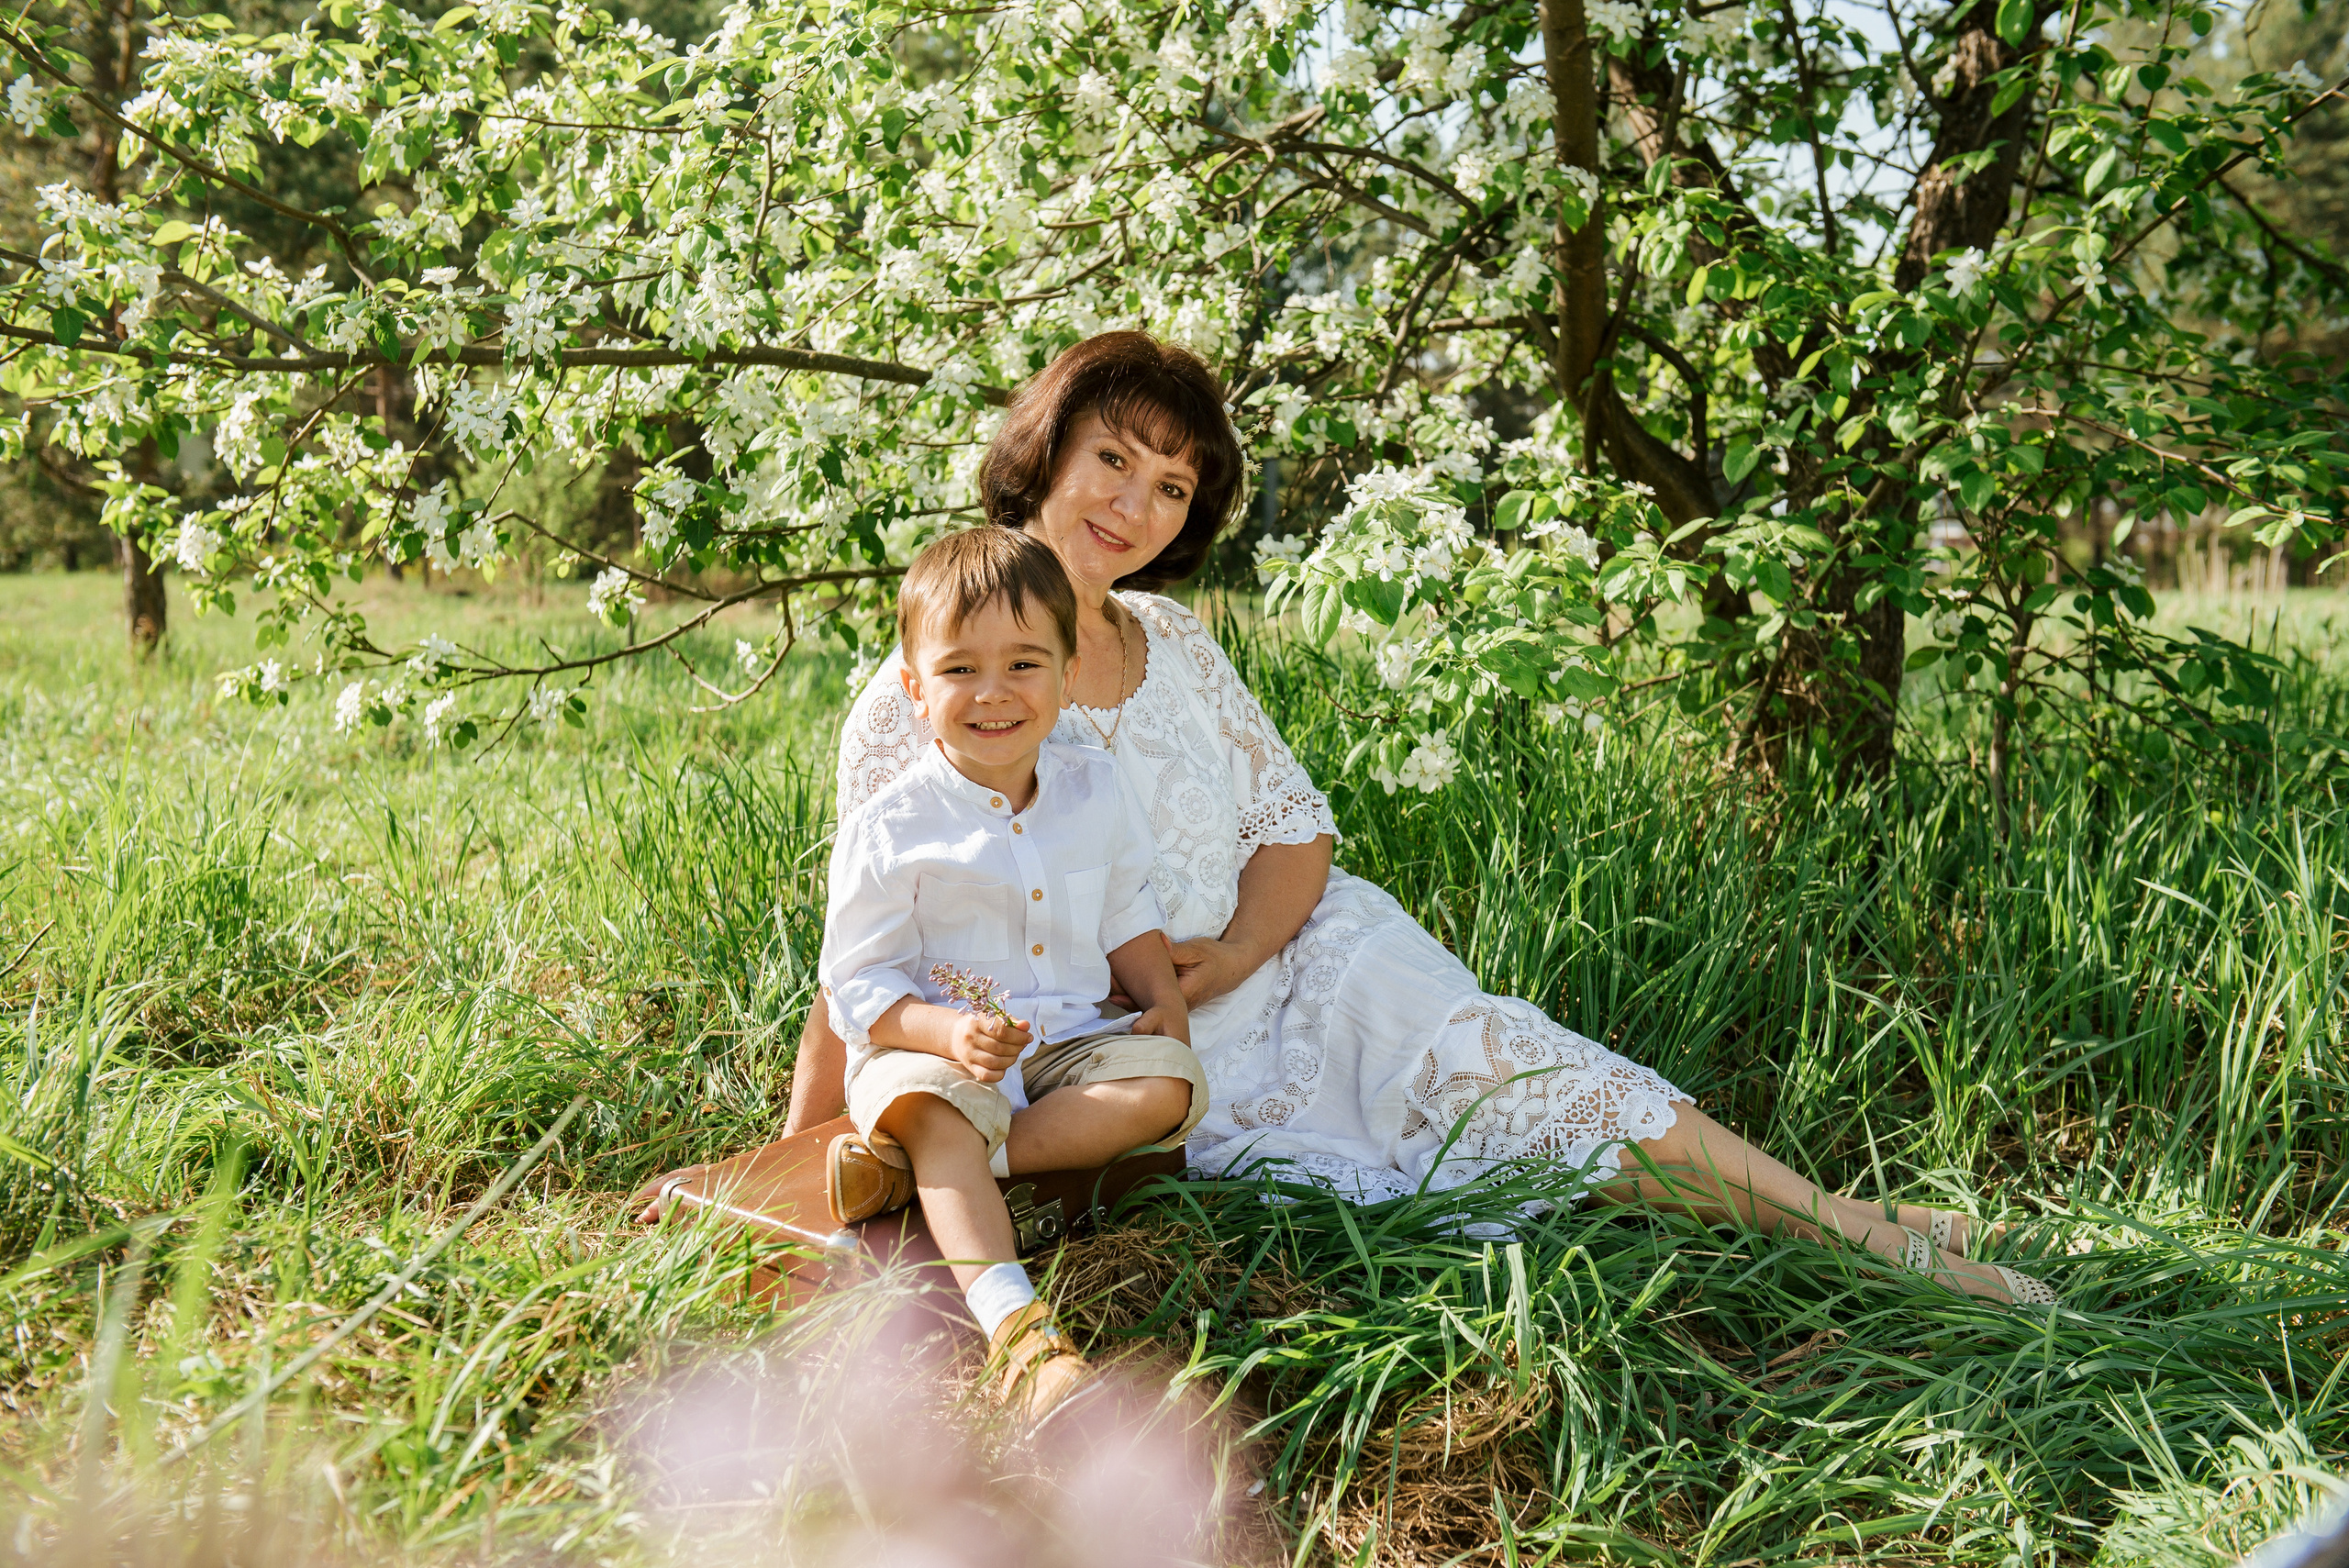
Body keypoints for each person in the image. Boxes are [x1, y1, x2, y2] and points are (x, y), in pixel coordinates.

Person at [801, 330, 2053, 1308]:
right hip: (1133, 1059)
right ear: (1051, 445)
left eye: (1174, 484)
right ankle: (1856, 1230)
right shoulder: (938, 677)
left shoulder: (1172, 641)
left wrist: (1239, 949)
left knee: (1508, 1057)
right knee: (1493, 1101)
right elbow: (863, 935)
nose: (1137, 504)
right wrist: (807, 1148)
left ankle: (1848, 1224)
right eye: (1115, 459)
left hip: (1296, 964)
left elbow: (1297, 832)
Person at [818, 525, 1208, 1418]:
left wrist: (1164, 1001)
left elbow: (1125, 911)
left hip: (1062, 1044)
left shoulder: (1093, 788)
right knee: (940, 1104)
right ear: (915, 690)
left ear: (1068, 676)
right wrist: (945, 1031)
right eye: (959, 669)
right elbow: (861, 985)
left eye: (1024, 664)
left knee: (1169, 1087)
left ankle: (916, 1168)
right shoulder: (893, 826)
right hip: (932, 1050)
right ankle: (1023, 1338)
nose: (993, 693)